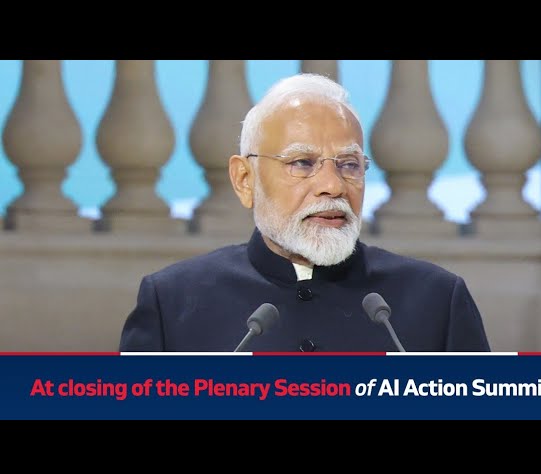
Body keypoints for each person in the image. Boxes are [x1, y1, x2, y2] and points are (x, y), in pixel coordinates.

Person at [119, 73, 490, 353]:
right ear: (245, 179)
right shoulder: (172, 302)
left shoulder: (437, 301)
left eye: (349, 164)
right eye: (302, 162)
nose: (332, 185)